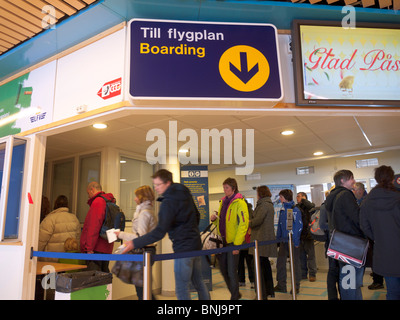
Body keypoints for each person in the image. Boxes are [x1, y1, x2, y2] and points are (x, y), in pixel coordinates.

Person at [121, 169, 210, 300]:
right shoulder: (184, 192)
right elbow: (197, 215)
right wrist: (190, 231)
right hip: (196, 245)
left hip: (183, 249)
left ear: (168, 183)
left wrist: (134, 243)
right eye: (154, 184)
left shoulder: (168, 202)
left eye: (158, 185)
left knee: (181, 288)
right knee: (199, 282)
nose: (155, 188)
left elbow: (159, 232)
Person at [360, 165, 400, 300]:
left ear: (376, 179)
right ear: (392, 178)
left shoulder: (367, 202)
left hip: (384, 252)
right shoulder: (397, 197)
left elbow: (364, 226)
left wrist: (377, 237)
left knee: (392, 292)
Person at [325, 169, 365, 300]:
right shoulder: (346, 195)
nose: (353, 181)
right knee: (351, 282)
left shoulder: (333, 196)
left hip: (341, 243)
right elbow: (357, 218)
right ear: (342, 181)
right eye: (351, 178)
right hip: (351, 243)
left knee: (348, 280)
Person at [210, 177, 249, 300]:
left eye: (227, 187)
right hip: (223, 242)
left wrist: (237, 245)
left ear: (233, 188)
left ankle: (234, 296)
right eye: (224, 187)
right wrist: (215, 221)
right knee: (223, 269)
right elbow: (222, 223)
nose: (224, 190)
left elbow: (243, 224)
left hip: (233, 243)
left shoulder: (240, 203)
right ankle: (235, 292)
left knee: (232, 271)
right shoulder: (223, 202)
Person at [116, 185, 157, 300]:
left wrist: (120, 234)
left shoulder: (144, 213)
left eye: (136, 196)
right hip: (147, 250)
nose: (134, 199)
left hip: (143, 251)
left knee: (142, 290)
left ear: (141, 197)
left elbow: (140, 238)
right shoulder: (148, 210)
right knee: (144, 288)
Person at [249, 186, 277, 299]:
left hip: (260, 239)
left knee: (257, 267)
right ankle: (269, 290)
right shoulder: (268, 204)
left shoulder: (263, 205)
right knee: (265, 265)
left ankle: (261, 293)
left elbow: (257, 220)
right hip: (265, 239)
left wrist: (248, 222)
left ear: (260, 194)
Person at [80, 181, 115, 272]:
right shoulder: (110, 201)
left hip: (96, 248)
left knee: (94, 280)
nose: (88, 196)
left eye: (88, 193)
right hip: (106, 247)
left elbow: (94, 226)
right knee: (104, 277)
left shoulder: (98, 202)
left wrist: (89, 248)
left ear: (92, 190)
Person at [274, 189, 303, 294]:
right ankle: (281, 285)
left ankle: (296, 287)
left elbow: (298, 227)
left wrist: (296, 242)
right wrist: (278, 240)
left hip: (292, 242)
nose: (279, 199)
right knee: (280, 264)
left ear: (285, 198)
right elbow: (280, 227)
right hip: (283, 242)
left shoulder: (294, 210)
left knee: (294, 265)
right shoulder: (283, 210)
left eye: (281, 197)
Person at [38, 195, 81, 261]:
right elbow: (78, 239)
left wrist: (35, 256)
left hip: (51, 260)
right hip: (68, 259)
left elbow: (41, 241)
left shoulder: (50, 219)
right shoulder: (74, 218)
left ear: (55, 204)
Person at [320, 187, 341, 300]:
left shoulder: (338, 207)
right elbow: (322, 224)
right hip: (331, 242)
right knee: (333, 271)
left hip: (340, 242)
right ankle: (332, 297)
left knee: (340, 271)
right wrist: (335, 227)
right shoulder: (324, 207)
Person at [296, 192, 317, 282]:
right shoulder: (296, 207)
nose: (297, 198)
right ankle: (303, 274)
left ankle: (312, 274)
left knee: (311, 256)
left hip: (309, 235)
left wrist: (304, 200)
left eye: (299, 196)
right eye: (297, 196)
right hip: (300, 235)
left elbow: (312, 206)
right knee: (301, 256)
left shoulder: (309, 207)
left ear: (305, 198)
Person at [238, 200, 254, 289]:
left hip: (248, 242)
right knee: (239, 263)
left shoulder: (250, 210)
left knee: (250, 263)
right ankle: (241, 280)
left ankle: (252, 281)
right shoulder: (238, 210)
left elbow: (252, 223)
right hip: (239, 241)